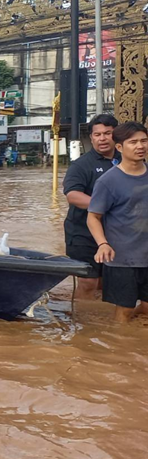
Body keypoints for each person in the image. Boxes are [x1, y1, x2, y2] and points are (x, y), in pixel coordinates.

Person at [87, 121, 148, 323]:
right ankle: (115, 345)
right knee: (125, 310)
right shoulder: (108, 181)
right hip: (122, 258)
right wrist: (102, 244)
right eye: (134, 142)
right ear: (120, 147)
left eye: (144, 141)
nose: (140, 146)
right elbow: (93, 217)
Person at [63, 114, 120, 300]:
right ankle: (80, 322)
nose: (102, 138)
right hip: (82, 234)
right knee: (88, 282)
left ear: (116, 136)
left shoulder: (127, 161)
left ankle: (100, 320)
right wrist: (106, 206)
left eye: (107, 133)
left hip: (115, 233)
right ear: (91, 137)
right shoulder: (81, 165)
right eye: (97, 134)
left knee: (106, 282)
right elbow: (72, 195)